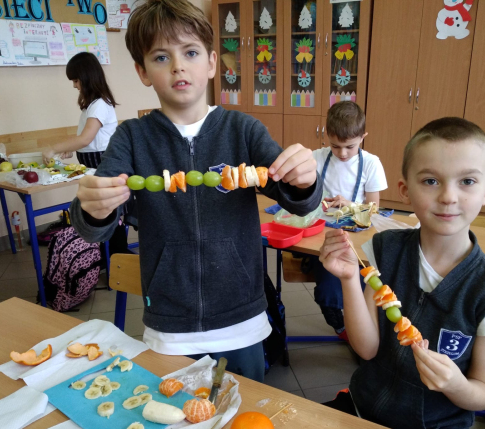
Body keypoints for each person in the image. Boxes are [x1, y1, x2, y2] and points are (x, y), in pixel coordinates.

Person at [69, 0, 322, 382]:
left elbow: (298, 200)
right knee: (175, 414)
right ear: (143, 72)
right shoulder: (131, 138)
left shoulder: (243, 131)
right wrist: (93, 207)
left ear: (212, 63)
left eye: (190, 52)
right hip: (170, 325)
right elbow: (92, 225)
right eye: (161, 57)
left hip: (241, 317)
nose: (178, 66)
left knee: (242, 412)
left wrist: (304, 179)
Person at [318, 117, 485, 429]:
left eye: (467, 181)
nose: (448, 197)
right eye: (430, 181)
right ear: (405, 190)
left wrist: (455, 384)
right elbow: (366, 349)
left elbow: (482, 394)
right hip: (362, 408)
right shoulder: (384, 250)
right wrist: (350, 279)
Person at [312, 101, 387, 340]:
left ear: (363, 137)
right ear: (326, 135)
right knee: (328, 289)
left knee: (365, 284)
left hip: (356, 234)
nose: (342, 153)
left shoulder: (371, 164)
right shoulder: (316, 158)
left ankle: (364, 330)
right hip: (324, 234)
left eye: (350, 147)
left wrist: (350, 205)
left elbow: (373, 211)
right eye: (335, 146)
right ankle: (340, 326)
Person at [42, 52, 118, 169]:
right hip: (93, 159)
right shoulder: (93, 104)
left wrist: (53, 149)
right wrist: (71, 147)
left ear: (88, 78)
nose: (74, 86)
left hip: (100, 159)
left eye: (76, 81)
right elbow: (85, 138)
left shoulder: (100, 104)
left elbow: (85, 139)